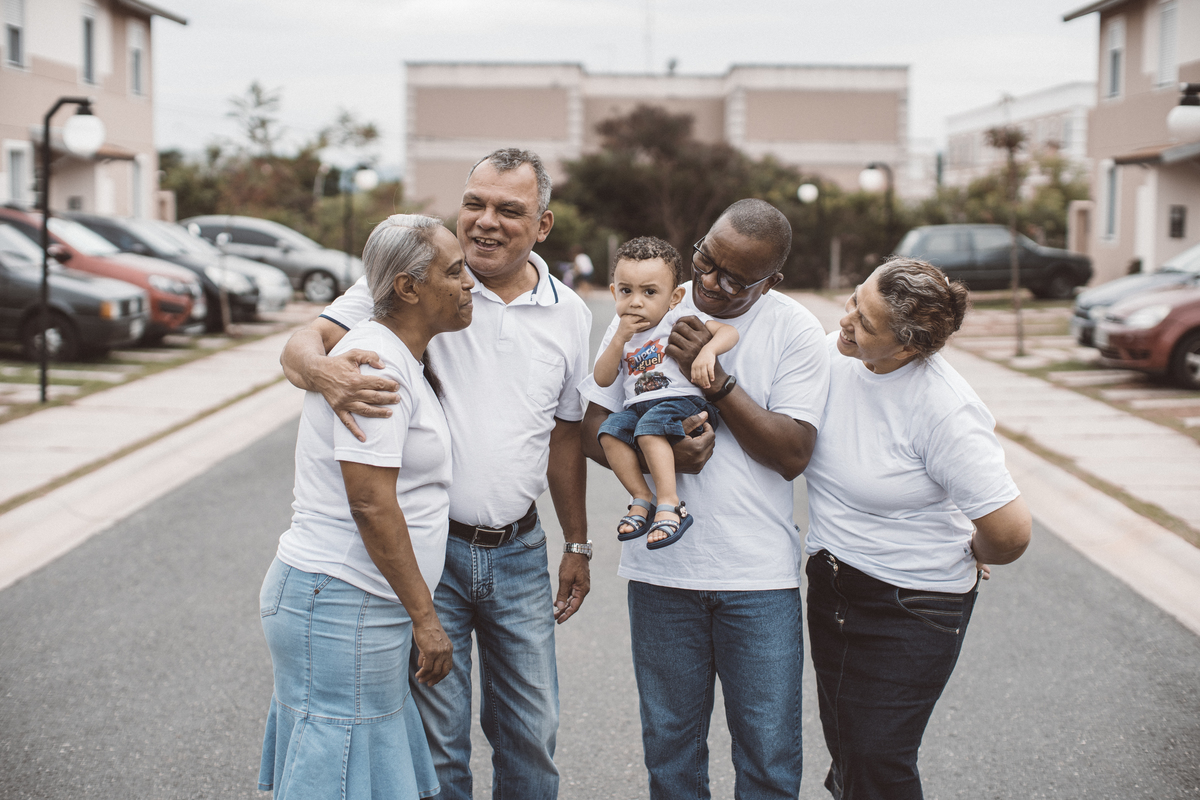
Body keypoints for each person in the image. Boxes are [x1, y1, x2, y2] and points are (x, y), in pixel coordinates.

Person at [279, 148, 592, 800]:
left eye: (510, 210)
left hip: (520, 551)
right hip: (434, 553)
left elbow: (565, 435)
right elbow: (299, 346)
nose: (485, 221)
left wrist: (578, 541)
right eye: (474, 202)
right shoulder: (418, 280)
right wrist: (327, 372)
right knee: (437, 748)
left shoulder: (571, 314)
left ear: (543, 225)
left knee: (531, 736)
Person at [581, 199, 831, 800]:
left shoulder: (793, 328)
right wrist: (653, 454)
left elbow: (793, 452)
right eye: (706, 261)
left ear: (771, 282)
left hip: (758, 579)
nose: (711, 285)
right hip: (663, 573)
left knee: (768, 757)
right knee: (671, 753)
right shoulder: (654, 299)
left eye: (736, 279)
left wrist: (713, 379)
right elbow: (594, 425)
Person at [803, 258, 1032, 800]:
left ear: (908, 347)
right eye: (856, 299)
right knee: (850, 752)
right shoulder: (835, 361)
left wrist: (971, 549)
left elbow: (1011, 532)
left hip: (911, 605)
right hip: (833, 589)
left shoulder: (944, 409)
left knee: (878, 760)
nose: (847, 319)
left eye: (866, 321)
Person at [258, 215, 467, 799]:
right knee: (339, 771)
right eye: (454, 273)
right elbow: (371, 504)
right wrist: (426, 620)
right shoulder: (373, 363)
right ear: (407, 288)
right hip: (341, 598)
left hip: (360, 602)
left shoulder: (396, 350)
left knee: (359, 772)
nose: (467, 281)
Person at [593, 236, 738, 548]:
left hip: (681, 401)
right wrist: (619, 339)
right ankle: (642, 496)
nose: (635, 302)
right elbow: (603, 378)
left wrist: (708, 352)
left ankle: (670, 505)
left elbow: (729, 332)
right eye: (626, 291)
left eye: (649, 292)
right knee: (609, 431)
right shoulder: (619, 331)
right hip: (638, 406)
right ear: (613, 292)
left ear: (674, 297)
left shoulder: (675, 318)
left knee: (648, 430)